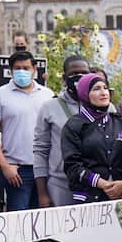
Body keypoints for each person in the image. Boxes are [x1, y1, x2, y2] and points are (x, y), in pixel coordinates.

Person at [0, 50, 54, 211]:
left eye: (26, 68)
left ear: (34, 69)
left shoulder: (47, 95)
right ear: (11, 70)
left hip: (45, 169)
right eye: (17, 68)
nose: (22, 72)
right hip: (17, 171)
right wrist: (4, 165)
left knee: (44, 222)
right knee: (18, 223)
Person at [62, 73, 122, 204]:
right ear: (84, 93)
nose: (103, 92)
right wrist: (105, 185)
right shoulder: (73, 126)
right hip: (89, 199)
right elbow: (73, 166)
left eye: (105, 88)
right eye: (96, 89)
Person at [34, 55, 91, 208]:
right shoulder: (49, 108)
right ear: (64, 79)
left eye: (84, 73)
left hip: (95, 183)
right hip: (60, 185)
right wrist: (42, 193)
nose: (80, 78)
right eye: (74, 74)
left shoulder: (105, 107)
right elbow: (41, 150)